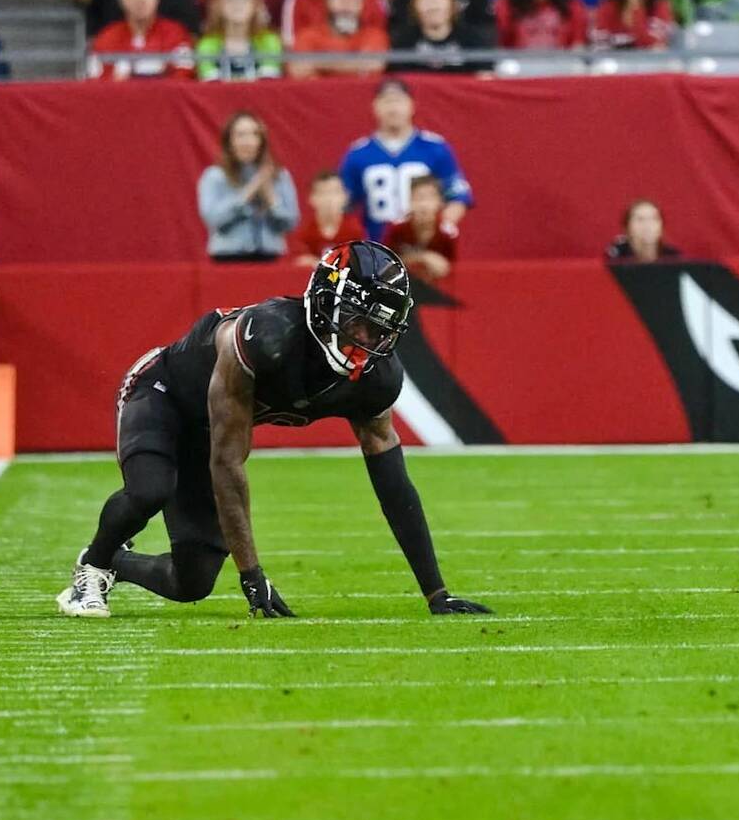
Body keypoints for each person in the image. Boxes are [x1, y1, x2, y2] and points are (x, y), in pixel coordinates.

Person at [55, 243, 492, 619]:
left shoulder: (377, 377)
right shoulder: (268, 337)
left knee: (193, 582)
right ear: (327, 304)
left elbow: (393, 484)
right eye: (361, 322)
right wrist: (252, 577)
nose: (369, 338)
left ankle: (113, 558)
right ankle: (89, 571)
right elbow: (227, 462)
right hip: (164, 394)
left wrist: (436, 593)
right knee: (150, 489)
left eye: (381, 328)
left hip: (211, 432)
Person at [339, 78, 472, 240]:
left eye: (399, 101)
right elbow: (343, 204)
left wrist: (436, 231)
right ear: (375, 107)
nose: (393, 109)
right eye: (387, 102)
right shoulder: (358, 154)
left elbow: (457, 196)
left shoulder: (434, 148)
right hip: (376, 249)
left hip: (421, 246)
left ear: (412, 105)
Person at [197, 111, 298, 262]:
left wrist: (271, 199)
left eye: (254, 135)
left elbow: (290, 222)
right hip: (228, 257)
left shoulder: (279, 176)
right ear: (229, 142)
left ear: (261, 141)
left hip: (270, 256)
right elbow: (214, 219)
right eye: (241, 135)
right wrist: (248, 192)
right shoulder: (215, 176)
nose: (248, 142)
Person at [88, 0, 196, 81]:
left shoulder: (175, 33)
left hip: (165, 97)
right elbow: (96, 82)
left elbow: (184, 74)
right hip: (122, 97)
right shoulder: (107, 37)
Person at [381, 173, 460, 280]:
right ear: (409, 201)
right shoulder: (397, 228)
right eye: (418, 198)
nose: (424, 205)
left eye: (430, 198)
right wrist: (422, 257)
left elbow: (455, 269)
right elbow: (385, 264)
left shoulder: (448, 232)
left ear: (440, 202)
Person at [289, 172, 358, 266]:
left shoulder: (355, 231)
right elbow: (297, 262)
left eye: (335, 192)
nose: (329, 199)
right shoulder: (304, 233)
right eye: (323, 193)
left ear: (345, 197)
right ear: (311, 198)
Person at [605, 198, 683, 263]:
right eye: (640, 219)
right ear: (627, 227)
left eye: (654, 219)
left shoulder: (673, 258)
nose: (647, 225)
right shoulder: (616, 256)